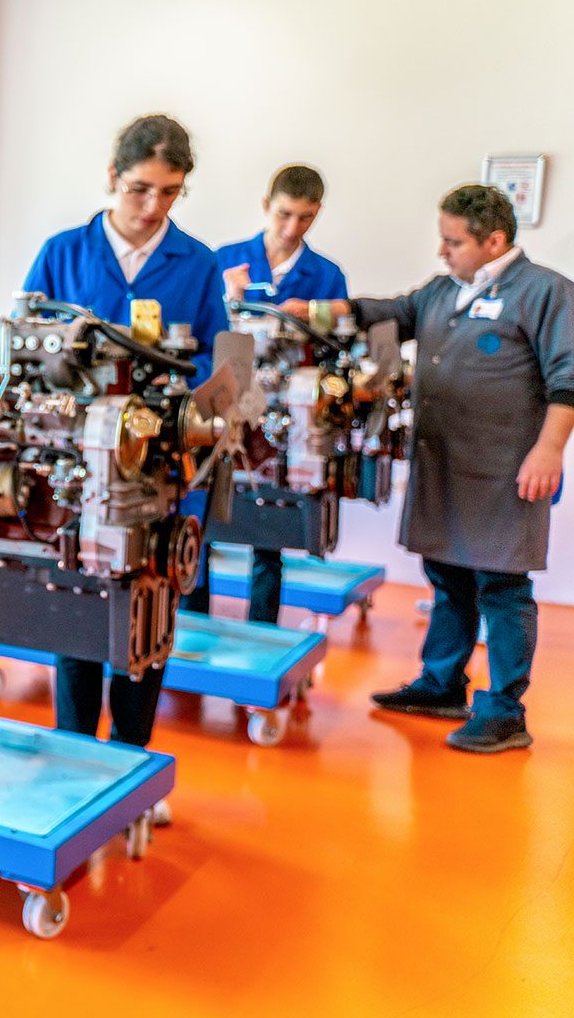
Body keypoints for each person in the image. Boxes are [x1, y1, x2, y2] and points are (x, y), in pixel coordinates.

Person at [284, 184, 574, 754]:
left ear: (494, 241)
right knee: (447, 577)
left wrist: (549, 451)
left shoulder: (545, 293)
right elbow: (386, 313)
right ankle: (441, 685)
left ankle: (505, 712)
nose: (442, 251)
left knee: (502, 586)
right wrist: (316, 310)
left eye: (453, 241)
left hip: (505, 469)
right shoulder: (445, 291)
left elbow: (568, 379)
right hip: (443, 461)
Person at [23, 115, 227, 767]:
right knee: (77, 613)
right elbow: (25, 352)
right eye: (141, 189)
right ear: (113, 177)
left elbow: (219, 374)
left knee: (148, 616)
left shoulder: (196, 264)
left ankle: (134, 763)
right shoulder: (64, 252)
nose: (153, 206)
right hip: (76, 474)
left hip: (160, 476)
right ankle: (75, 757)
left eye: (170, 193)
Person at [202, 164, 349, 625]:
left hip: (282, 419)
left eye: (305, 218)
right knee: (203, 518)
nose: (292, 228)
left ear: (317, 214)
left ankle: (263, 628)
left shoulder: (325, 276)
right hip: (223, 409)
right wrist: (229, 297)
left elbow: (337, 351)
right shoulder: (225, 260)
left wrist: (314, 317)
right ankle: (189, 625)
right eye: (284, 214)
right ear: (266, 205)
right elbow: (198, 335)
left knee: (269, 527)